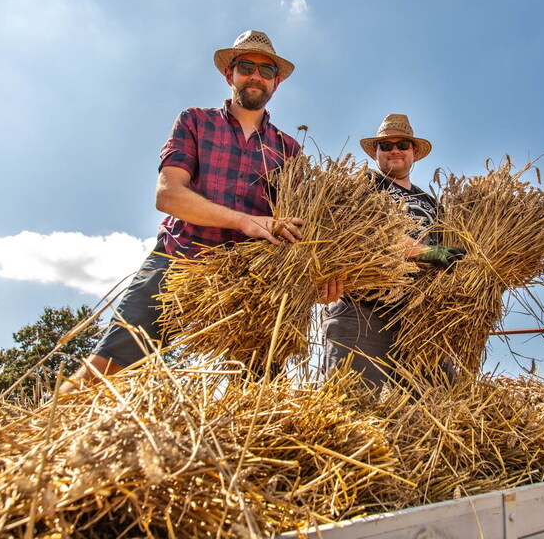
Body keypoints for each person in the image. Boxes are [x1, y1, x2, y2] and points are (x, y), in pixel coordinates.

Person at [63, 30, 342, 390]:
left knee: (257, 393)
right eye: (246, 66)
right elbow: (169, 196)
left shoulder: (289, 149)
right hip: (180, 258)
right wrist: (245, 220)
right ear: (230, 74)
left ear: (277, 83)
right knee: (105, 371)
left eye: (266, 70)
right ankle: (43, 436)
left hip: (253, 279)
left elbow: (297, 228)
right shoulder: (195, 121)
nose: (255, 75)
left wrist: (315, 277)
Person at [321, 113, 465, 393]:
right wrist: (427, 252)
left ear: (414, 152)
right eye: (385, 146)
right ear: (375, 153)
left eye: (403, 144)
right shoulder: (362, 184)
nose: (394, 150)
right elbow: (365, 230)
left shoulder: (430, 202)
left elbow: (452, 250)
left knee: (433, 412)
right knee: (351, 405)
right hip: (362, 312)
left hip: (419, 317)